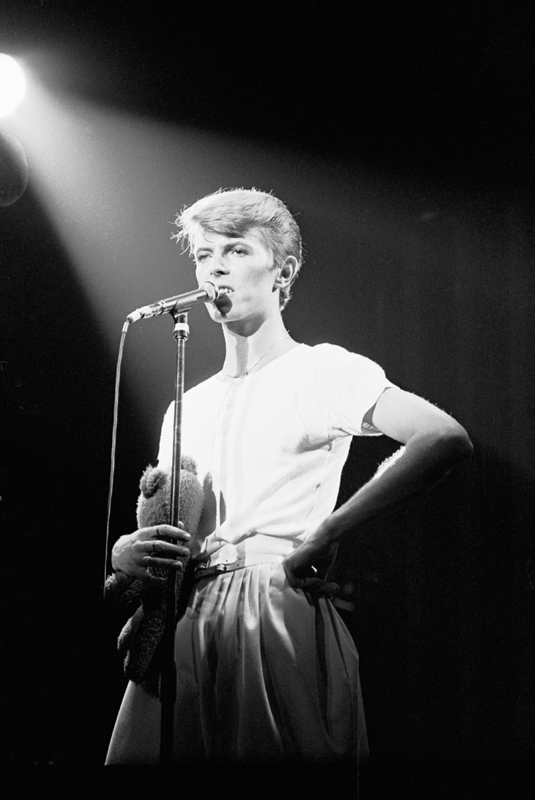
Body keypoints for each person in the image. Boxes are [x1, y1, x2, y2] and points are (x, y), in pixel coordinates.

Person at [105, 188, 473, 765]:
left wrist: (331, 530)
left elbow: (442, 437)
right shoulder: (185, 406)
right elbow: (175, 529)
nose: (215, 267)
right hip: (186, 618)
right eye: (203, 255)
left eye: (236, 250)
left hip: (273, 606)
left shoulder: (322, 369)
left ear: (283, 271)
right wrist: (129, 553)